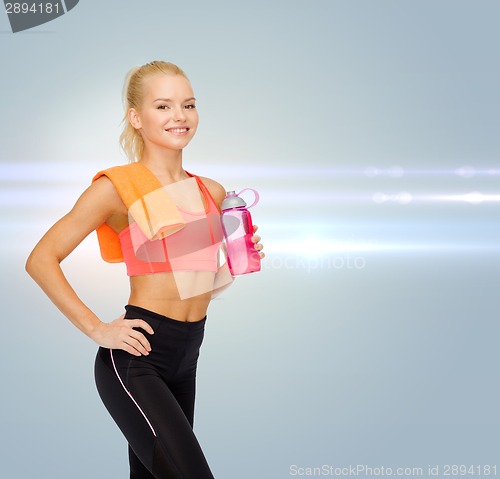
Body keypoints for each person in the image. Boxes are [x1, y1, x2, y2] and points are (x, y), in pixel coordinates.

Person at [25, 60, 264, 479]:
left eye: (188, 105)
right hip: (138, 357)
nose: (179, 116)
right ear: (136, 117)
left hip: (188, 355)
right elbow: (41, 259)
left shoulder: (211, 191)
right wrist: (99, 329)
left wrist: (234, 260)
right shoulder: (115, 188)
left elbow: (192, 283)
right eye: (163, 106)